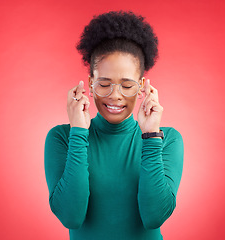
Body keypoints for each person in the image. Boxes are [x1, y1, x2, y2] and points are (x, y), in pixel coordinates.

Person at [44, 10, 184, 240]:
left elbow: (154, 217)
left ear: (141, 86)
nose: (115, 95)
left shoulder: (166, 139)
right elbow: (71, 216)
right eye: (104, 84)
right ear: (90, 83)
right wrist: (78, 132)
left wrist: (150, 136)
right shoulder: (61, 137)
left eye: (127, 86)